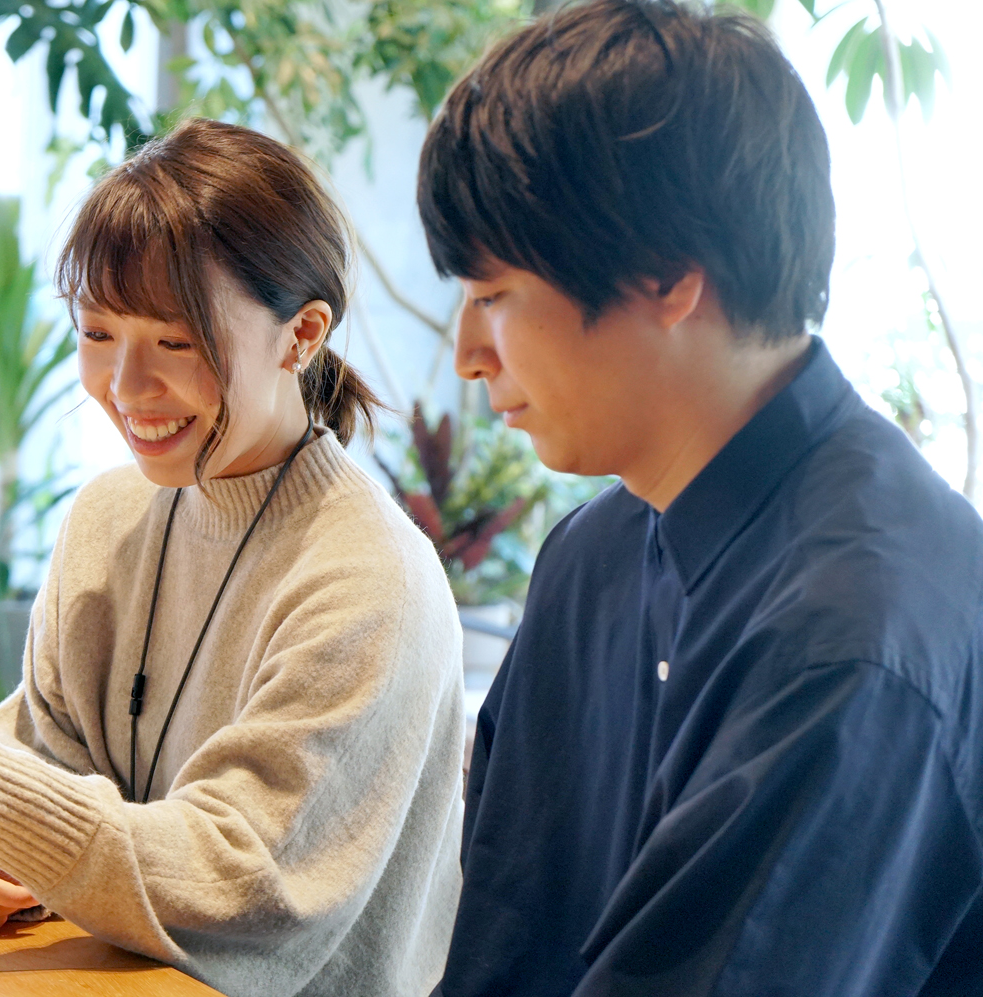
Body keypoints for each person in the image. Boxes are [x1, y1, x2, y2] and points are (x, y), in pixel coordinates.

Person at [0, 117, 465, 997]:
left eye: (176, 342)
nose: (125, 386)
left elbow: (237, 884)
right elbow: (36, 775)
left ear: (301, 336)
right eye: (97, 332)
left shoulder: (370, 579)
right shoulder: (110, 518)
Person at [415, 1, 983, 994]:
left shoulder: (861, 629)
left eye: (495, 294)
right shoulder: (591, 556)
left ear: (669, 276)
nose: (467, 355)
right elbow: (505, 939)